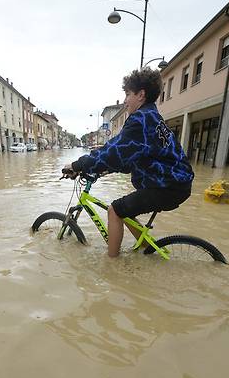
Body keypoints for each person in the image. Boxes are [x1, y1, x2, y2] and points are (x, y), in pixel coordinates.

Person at [64, 68, 194, 258]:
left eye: (127, 94)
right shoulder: (152, 117)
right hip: (174, 183)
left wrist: (77, 165)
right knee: (127, 212)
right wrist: (105, 170)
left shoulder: (140, 120)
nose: (125, 100)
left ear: (141, 95)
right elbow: (130, 157)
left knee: (115, 210)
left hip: (167, 186)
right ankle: (147, 249)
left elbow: (112, 152)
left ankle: (112, 265)